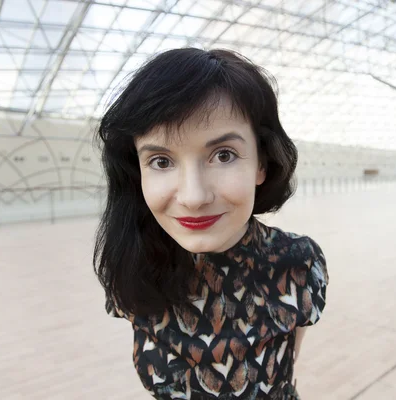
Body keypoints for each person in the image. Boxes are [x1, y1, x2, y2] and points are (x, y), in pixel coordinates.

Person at [93, 48, 328, 400]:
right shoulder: (130, 261)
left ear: (261, 164)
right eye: (160, 161)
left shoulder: (297, 263)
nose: (193, 196)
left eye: (223, 155)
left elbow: (287, 363)